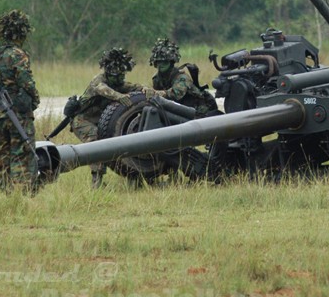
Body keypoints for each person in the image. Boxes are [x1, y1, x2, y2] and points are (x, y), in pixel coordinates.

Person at [70, 47, 157, 188]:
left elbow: (134, 87)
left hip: (102, 123)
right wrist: (119, 96)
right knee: (95, 140)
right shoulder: (99, 80)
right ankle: (96, 182)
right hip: (83, 121)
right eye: (115, 77)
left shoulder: (118, 83)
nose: (118, 80)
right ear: (108, 73)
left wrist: (145, 89)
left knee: (124, 139)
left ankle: (135, 179)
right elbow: (102, 89)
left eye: (121, 76)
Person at [0, 9, 40, 194]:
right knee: (23, 152)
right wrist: (35, 100)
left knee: (1, 155)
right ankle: (23, 195)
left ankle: (6, 195)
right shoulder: (18, 54)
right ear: (22, 33)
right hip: (18, 114)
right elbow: (26, 82)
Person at [149, 37, 218, 117]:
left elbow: (176, 94)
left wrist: (156, 93)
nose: (160, 65)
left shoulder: (181, 77)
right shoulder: (157, 79)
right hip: (181, 112)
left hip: (201, 112)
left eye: (165, 62)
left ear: (171, 62)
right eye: (158, 62)